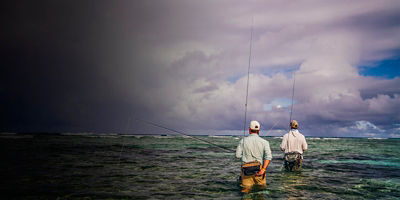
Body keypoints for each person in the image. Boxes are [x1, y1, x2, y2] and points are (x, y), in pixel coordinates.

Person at [236, 120, 272, 193]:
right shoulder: (265, 142)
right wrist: (263, 169)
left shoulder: (242, 141)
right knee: (261, 192)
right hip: (259, 172)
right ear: (258, 130)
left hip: (246, 172)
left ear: (249, 130)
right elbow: (268, 157)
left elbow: (237, 156)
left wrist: (244, 154)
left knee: (246, 193)